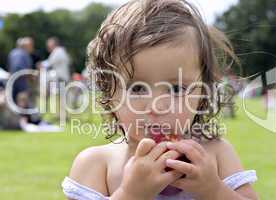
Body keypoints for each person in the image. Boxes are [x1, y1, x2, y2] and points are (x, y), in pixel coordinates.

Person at [62, 1, 258, 200]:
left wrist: (214, 190)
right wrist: (130, 194)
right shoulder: (97, 164)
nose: (157, 105)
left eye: (176, 89)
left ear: (202, 95)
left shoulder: (216, 154)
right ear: (109, 95)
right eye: (137, 88)